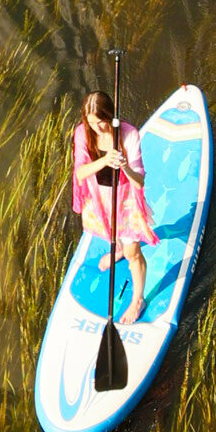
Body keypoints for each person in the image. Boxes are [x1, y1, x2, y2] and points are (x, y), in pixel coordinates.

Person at [71, 85, 157, 323]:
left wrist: (124, 166)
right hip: (99, 198)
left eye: (100, 122)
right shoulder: (82, 133)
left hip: (126, 199)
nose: (95, 127)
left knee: (134, 252)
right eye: (90, 122)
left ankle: (138, 299)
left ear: (110, 115)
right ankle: (116, 248)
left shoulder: (128, 134)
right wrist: (104, 160)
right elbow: (80, 173)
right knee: (108, 232)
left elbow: (139, 182)